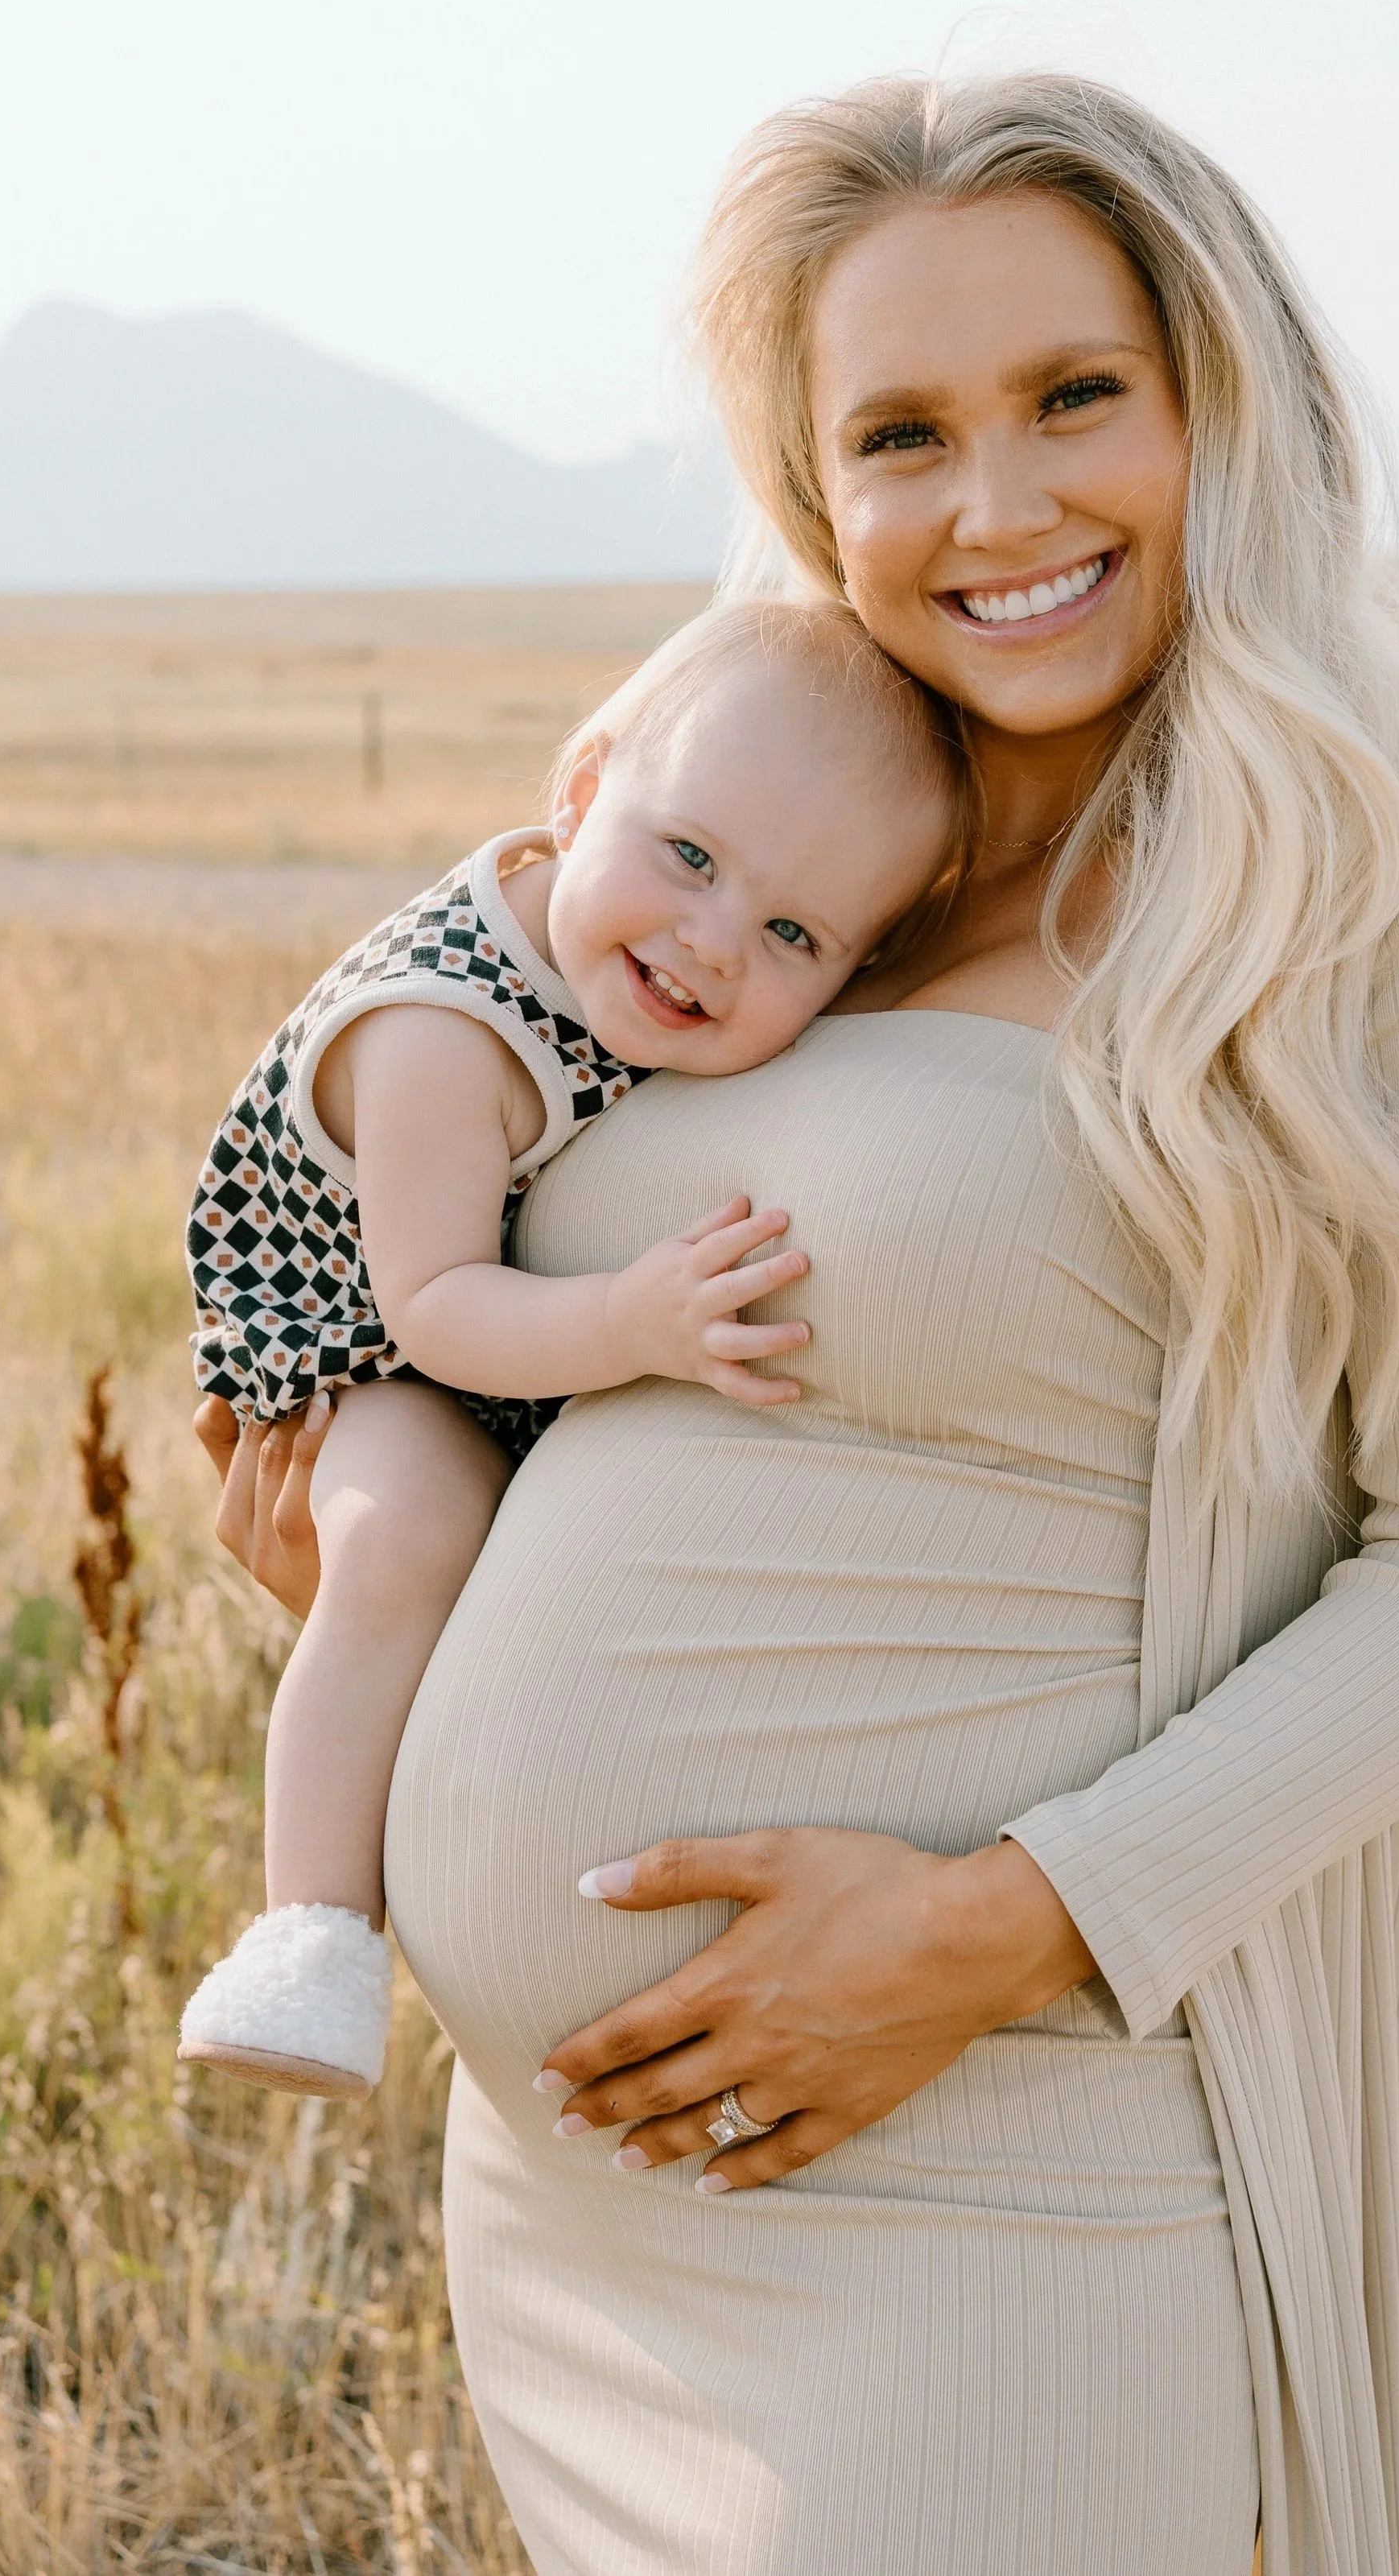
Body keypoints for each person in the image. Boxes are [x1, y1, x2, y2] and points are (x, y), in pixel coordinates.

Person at [200, 73, 1399, 2576]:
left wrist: (990, 1929)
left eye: (1078, 395)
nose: (997, 504)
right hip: (613, 2231)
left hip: (992, 2167)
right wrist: (407, 1513)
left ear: (1226, 399)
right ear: (810, 479)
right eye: (901, 431)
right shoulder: (816, 847)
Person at [178, 597, 961, 2096]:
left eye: (794, 933)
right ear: (583, 789)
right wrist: (632, 1321)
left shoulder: (632, 964)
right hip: (359, 1336)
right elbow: (437, 1305)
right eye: (690, 857)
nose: (710, 941)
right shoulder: (443, 1038)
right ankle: (312, 1930)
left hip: (468, 1317)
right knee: (412, 1531)